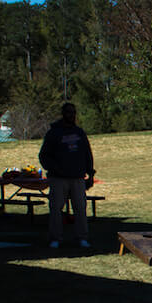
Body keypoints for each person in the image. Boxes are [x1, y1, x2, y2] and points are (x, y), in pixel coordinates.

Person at [38, 103, 95, 249]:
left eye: (73, 112)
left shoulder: (79, 133)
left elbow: (87, 154)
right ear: (63, 114)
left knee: (80, 208)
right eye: (69, 112)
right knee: (56, 209)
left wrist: (90, 173)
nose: (71, 115)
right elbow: (44, 156)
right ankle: (55, 238)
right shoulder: (54, 133)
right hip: (59, 178)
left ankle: (82, 237)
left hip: (77, 177)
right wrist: (55, 169)